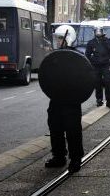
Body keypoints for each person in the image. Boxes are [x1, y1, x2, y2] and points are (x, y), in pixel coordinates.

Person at [45, 25, 84, 173]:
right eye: (58, 38)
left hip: (72, 100)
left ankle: (75, 159)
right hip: (56, 99)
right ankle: (59, 156)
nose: (58, 40)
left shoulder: (77, 57)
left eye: (61, 38)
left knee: (73, 130)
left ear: (68, 38)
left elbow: (83, 77)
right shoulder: (54, 56)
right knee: (55, 128)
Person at [85, 26, 110, 108]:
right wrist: (90, 65)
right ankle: (99, 100)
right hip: (96, 66)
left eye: (100, 31)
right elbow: (87, 55)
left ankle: (109, 101)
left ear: (103, 32)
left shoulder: (108, 42)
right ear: (94, 33)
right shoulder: (91, 43)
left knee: (108, 82)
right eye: (97, 31)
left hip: (106, 65)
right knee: (97, 83)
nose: (98, 33)